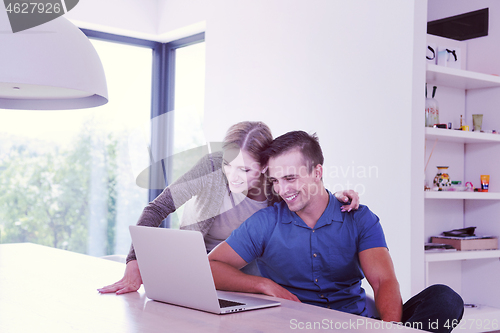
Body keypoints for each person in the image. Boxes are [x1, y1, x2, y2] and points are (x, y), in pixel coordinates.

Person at [208, 131, 464, 333]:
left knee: (445, 299)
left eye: (290, 178)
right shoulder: (265, 223)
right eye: (275, 181)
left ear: (317, 172)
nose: (282, 190)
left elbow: (383, 281)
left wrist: (390, 328)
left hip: (356, 323)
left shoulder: (359, 218)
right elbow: (212, 266)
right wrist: (263, 284)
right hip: (295, 326)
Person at [98, 122, 359, 295]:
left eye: (245, 170)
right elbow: (158, 208)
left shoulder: (277, 190)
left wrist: (333, 196)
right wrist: (134, 261)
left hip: (249, 273)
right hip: (196, 265)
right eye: (228, 165)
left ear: (266, 167)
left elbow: (302, 194)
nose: (233, 177)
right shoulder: (211, 167)